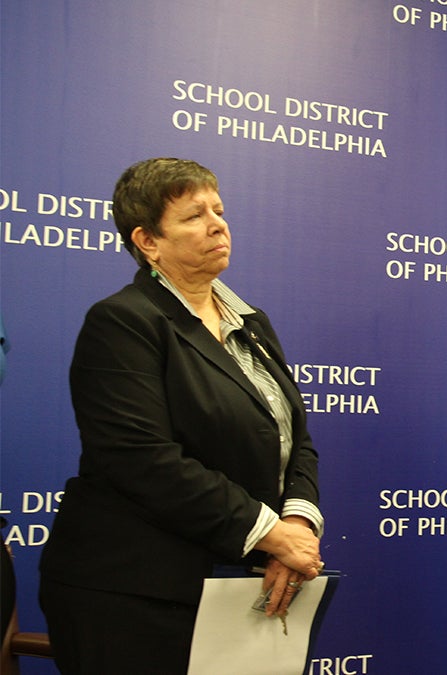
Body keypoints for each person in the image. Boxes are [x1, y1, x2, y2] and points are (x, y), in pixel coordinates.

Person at [38, 158, 324, 673]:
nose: (217, 223)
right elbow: (140, 458)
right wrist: (267, 532)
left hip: (232, 583)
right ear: (148, 241)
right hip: (132, 593)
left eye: (219, 209)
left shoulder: (251, 322)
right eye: (194, 216)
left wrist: (297, 521)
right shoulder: (123, 321)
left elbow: (294, 438)